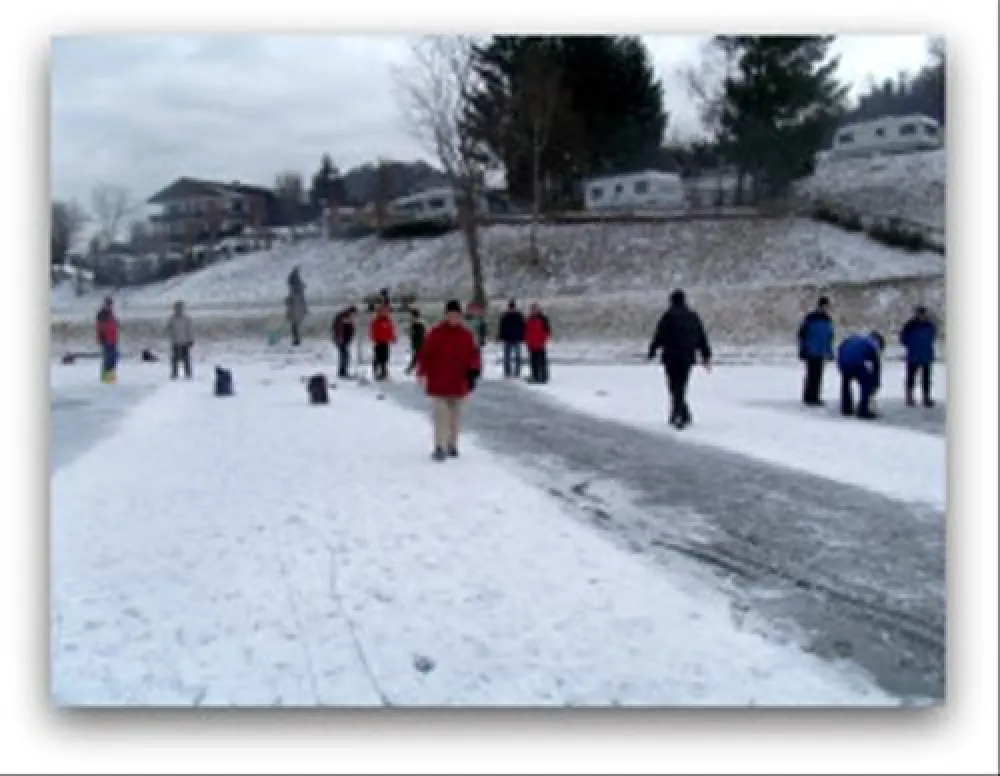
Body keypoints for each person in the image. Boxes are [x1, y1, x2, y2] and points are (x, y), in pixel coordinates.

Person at [415, 299, 482, 462]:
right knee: (440, 415)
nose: (453, 318)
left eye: (456, 315)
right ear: (446, 315)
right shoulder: (436, 333)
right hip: (439, 381)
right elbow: (425, 354)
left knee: (455, 416)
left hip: (458, 382)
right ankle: (440, 445)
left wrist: (474, 372)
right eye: (450, 314)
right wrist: (421, 371)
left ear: (460, 316)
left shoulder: (466, 335)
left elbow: (474, 355)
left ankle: (452, 444)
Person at [647, 289, 712, 429]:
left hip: (671, 357)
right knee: (682, 385)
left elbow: (659, 335)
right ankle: (682, 413)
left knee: (673, 385)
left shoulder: (668, 316)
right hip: (687, 357)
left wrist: (652, 351)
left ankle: (679, 414)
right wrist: (706, 355)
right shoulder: (693, 316)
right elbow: (701, 336)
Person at [836, 331, 885, 420]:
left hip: (844, 361)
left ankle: (846, 408)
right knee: (866, 384)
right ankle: (863, 409)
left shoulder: (853, 338)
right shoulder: (872, 344)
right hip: (857, 362)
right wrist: (875, 383)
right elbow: (876, 367)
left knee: (846, 383)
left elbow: (840, 348)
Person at [797, 296, 835, 406]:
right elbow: (802, 335)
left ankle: (815, 396)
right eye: (825, 306)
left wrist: (829, 351)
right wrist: (803, 349)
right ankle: (809, 396)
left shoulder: (827, 320)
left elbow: (829, 337)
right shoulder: (810, 318)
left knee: (818, 375)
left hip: (820, 351)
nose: (826, 308)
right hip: (811, 350)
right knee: (811, 374)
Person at [899, 305, 937, 408]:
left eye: (923, 314)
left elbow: (933, 337)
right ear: (916, 314)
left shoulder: (930, 325)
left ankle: (926, 397)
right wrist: (911, 345)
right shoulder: (909, 325)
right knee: (911, 377)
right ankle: (909, 397)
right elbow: (903, 338)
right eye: (920, 314)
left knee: (926, 378)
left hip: (926, 355)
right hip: (913, 355)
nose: (922, 316)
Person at [368, 303, 397, 381]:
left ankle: (384, 371)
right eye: (384, 311)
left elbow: (391, 330)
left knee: (385, 357)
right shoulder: (376, 321)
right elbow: (372, 331)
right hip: (378, 342)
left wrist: (393, 337)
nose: (386, 313)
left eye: (386, 311)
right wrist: (374, 340)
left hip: (385, 342)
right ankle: (376, 371)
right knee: (378, 357)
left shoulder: (388, 320)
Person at [524, 303, 552, 384]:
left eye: (535, 309)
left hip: (540, 344)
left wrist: (543, 341)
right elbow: (526, 332)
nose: (533, 311)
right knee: (533, 362)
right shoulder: (529, 319)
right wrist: (527, 342)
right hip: (532, 344)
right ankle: (535, 376)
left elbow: (547, 331)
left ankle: (543, 377)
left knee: (542, 362)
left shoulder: (543, 319)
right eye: (532, 309)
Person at [166, 300, 194, 379]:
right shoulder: (171, 319)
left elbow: (189, 330)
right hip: (175, 342)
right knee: (175, 359)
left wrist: (191, 339)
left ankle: (188, 374)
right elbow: (168, 330)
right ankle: (174, 374)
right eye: (177, 308)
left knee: (186, 359)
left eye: (180, 308)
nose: (178, 310)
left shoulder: (187, 319)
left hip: (185, 342)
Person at [498, 299, 526, 378]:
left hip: (515, 338)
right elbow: (502, 328)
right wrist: (501, 336)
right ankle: (508, 372)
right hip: (508, 339)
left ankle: (516, 372)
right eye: (511, 307)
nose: (511, 308)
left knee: (517, 357)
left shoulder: (517, 316)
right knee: (507, 357)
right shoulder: (506, 316)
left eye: (512, 307)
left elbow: (522, 327)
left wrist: (522, 337)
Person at [95, 296, 119, 384]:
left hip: (113, 340)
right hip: (106, 340)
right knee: (108, 359)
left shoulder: (111, 313)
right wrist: (102, 339)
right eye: (108, 304)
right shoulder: (102, 314)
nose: (110, 306)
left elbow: (114, 326)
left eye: (111, 304)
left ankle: (110, 377)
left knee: (113, 358)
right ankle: (105, 378)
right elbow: (100, 328)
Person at [331, 305, 358, 379]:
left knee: (345, 356)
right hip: (340, 340)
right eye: (354, 313)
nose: (354, 315)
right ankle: (342, 372)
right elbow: (337, 327)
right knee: (344, 356)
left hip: (345, 340)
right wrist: (340, 337)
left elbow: (351, 329)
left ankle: (343, 371)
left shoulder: (349, 318)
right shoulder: (342, 316)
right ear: (351, 312)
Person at [404, 308, 427, 376]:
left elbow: (421, 333)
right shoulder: (414, 323)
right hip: (416, 343)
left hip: (420, 343)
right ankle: (414, 369)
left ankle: (412, 369)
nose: (410, 317)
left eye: (411, 315)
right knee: (417, 357)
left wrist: (412, 332)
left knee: (417, 357)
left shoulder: (419, 323)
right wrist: (409, 332)